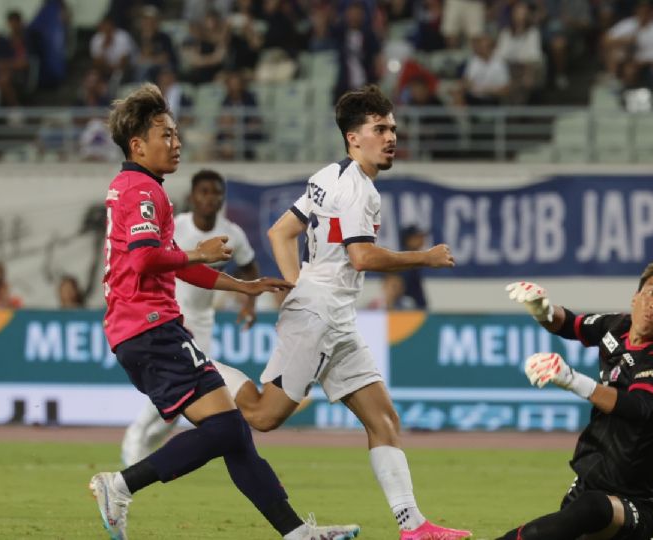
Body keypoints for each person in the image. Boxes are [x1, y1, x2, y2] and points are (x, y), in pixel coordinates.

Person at [88, 83, 360, 540]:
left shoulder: (136, 188)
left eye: (176, 134)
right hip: (149, 328)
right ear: (138, 145)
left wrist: (243, 286)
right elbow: (143, 259)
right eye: (165, 136)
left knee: (234, 432)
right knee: (225, 430)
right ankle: (120, 484)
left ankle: (297, 534)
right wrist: (198, 253)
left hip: (146, 328)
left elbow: (167, 260)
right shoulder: (141, 192)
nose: (176, 144)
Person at [208, 85, 472, 540]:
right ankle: (198, 368)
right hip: (321, 315)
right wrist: (422, 257)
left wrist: (296, 284)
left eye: (392, 127)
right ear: (354, 137)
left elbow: (279, 232)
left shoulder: (329, 174)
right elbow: (362, 258)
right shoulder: (358, 191)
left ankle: (414, 527)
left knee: (383, 419)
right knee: (263, 416)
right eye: (380, 129)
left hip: (331, 312)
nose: (391, 136)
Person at [497, 259, 653, 540]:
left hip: (633, 505)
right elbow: (571, 324)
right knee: (584, 509)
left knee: (594, 508)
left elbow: (638, 406)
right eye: (650, 293)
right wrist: (541, 308)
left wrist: (571, 379)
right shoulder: (618, 325)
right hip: (588, 486)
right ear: (636, 297)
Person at [121, 168, 260, 466]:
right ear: (193, 197)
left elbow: (249, 267)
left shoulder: (231, 232)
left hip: (203, 321)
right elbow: (154, 259)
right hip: (170, 316)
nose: (210, 199)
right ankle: (135, 438)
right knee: (182, 388)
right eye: (204, 192)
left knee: (187, 397)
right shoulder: (178, 226)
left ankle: (144, 446)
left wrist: (250, 303)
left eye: (216, 193)